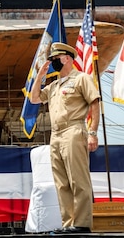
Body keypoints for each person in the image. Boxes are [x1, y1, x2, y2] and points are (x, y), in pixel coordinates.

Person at [30, 42, 100, 234]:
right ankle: (69, 223)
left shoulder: (81, 79)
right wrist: (40, 75)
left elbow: (94, 104)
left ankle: (83, 223)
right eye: (51, 59)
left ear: (67, 58)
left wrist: (93, 132)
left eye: (55, 59)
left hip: (74, 130)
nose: (53, 62)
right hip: (56, 135)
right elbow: (34, 98)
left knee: (78, 179)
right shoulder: (53, 86)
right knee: (61, 182)